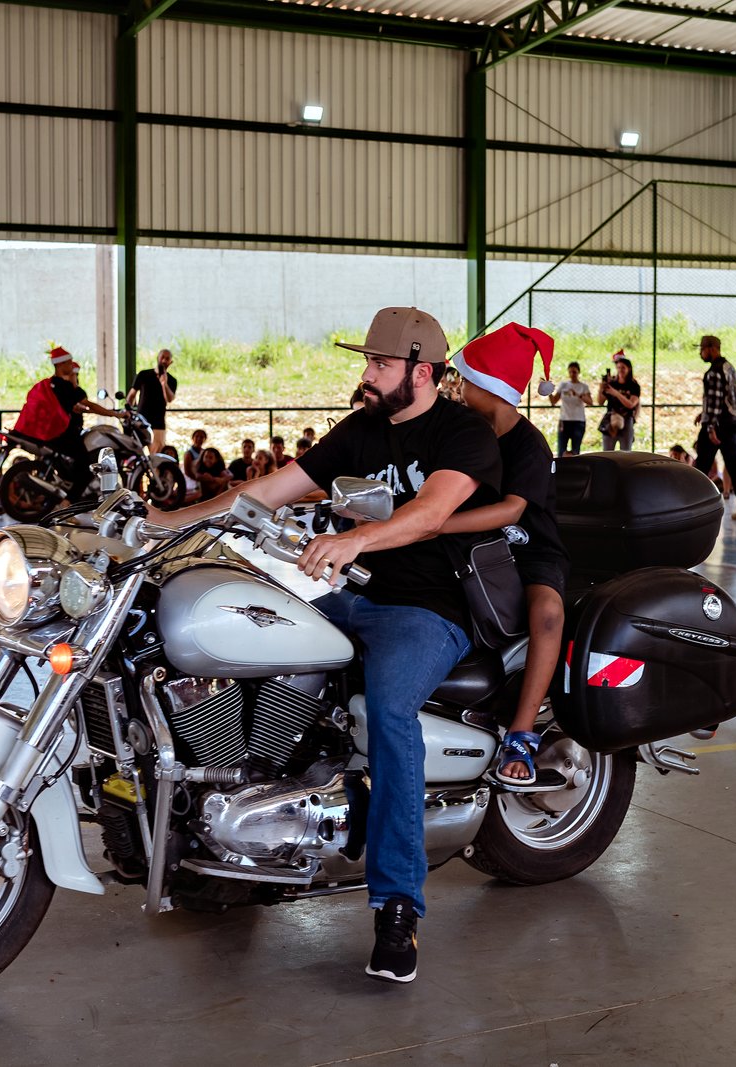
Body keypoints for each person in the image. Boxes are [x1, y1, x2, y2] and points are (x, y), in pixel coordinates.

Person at [146, 306, 502, 985]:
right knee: (247, 642)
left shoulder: (462, 434)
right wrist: (164, 524)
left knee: (390, 714)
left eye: (381, 363)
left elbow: (431, 513)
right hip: (350, 597)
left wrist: (353, 539)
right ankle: (242, 831)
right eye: (367, 361)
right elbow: (263, 492)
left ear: (422, 372)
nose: (368, 374)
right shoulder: (362, 428)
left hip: (426, 609)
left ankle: (398, 905)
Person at [448, 324, 569, 788]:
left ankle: (521, 731)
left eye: (466, 379)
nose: (458, 387)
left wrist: (435, 523)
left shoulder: (528, 443)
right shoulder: (465, 431)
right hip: (477, 547)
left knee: (547, 613)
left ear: (491, 387)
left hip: (529, 549)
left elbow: (511, 510)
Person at [40, 345, 122, 499]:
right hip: (65, 435)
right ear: (60, 364)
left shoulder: (53, 384)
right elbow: (89, 404)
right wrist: (116, 414)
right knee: (86, 469)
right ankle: (69, 502)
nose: (72, 366)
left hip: (53, 434)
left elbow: (76, 407)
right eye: (69, 363)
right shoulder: (65, 387)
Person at [692, 336, 736, 521]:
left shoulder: (714, 372)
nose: (701, 353)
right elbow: (728, 399)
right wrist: (704, 413)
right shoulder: (729, 367)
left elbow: (715, 401)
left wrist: (710, 426)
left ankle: (691, 504)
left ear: (712, 348)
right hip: (730, 425)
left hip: (716, 426)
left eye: (702, 349)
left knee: (701, 466)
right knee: (733, 466)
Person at [125, 349, 177, 454]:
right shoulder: (143, 375)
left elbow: (170, 399)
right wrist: (130, 412)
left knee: (156, 456)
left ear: (170, 362)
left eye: (167, 359)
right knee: (135, 453)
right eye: (162, 357)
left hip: (158, 424)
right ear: (158, 358)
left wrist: (164, 383)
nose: (164, 360)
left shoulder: (172, 380)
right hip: (140, 421)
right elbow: (131, 395)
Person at [544, 361, 592, 456]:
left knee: (575, 450)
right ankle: (561, 465)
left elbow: (590, 402)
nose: (572, 374)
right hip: (564, 420)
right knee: (561, 450)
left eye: (574, 372)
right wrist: (548, 390)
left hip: (578, 421)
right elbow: (554, 401)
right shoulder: (563, 385)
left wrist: (578, 395)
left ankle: (574, 465)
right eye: (570, 372)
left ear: (578, 372)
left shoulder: (583, 386)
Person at [596, 354, 640, 451]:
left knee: (626, 451)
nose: (620, 370)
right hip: (611, 418)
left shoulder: (633, 385)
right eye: (618, 367)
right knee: (607, 451)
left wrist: (616, 393)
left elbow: (631, 404)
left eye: (623, 367)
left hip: (626, 418)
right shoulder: (612, 383)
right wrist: (601, 389)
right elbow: (600, 402)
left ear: (629, 369)